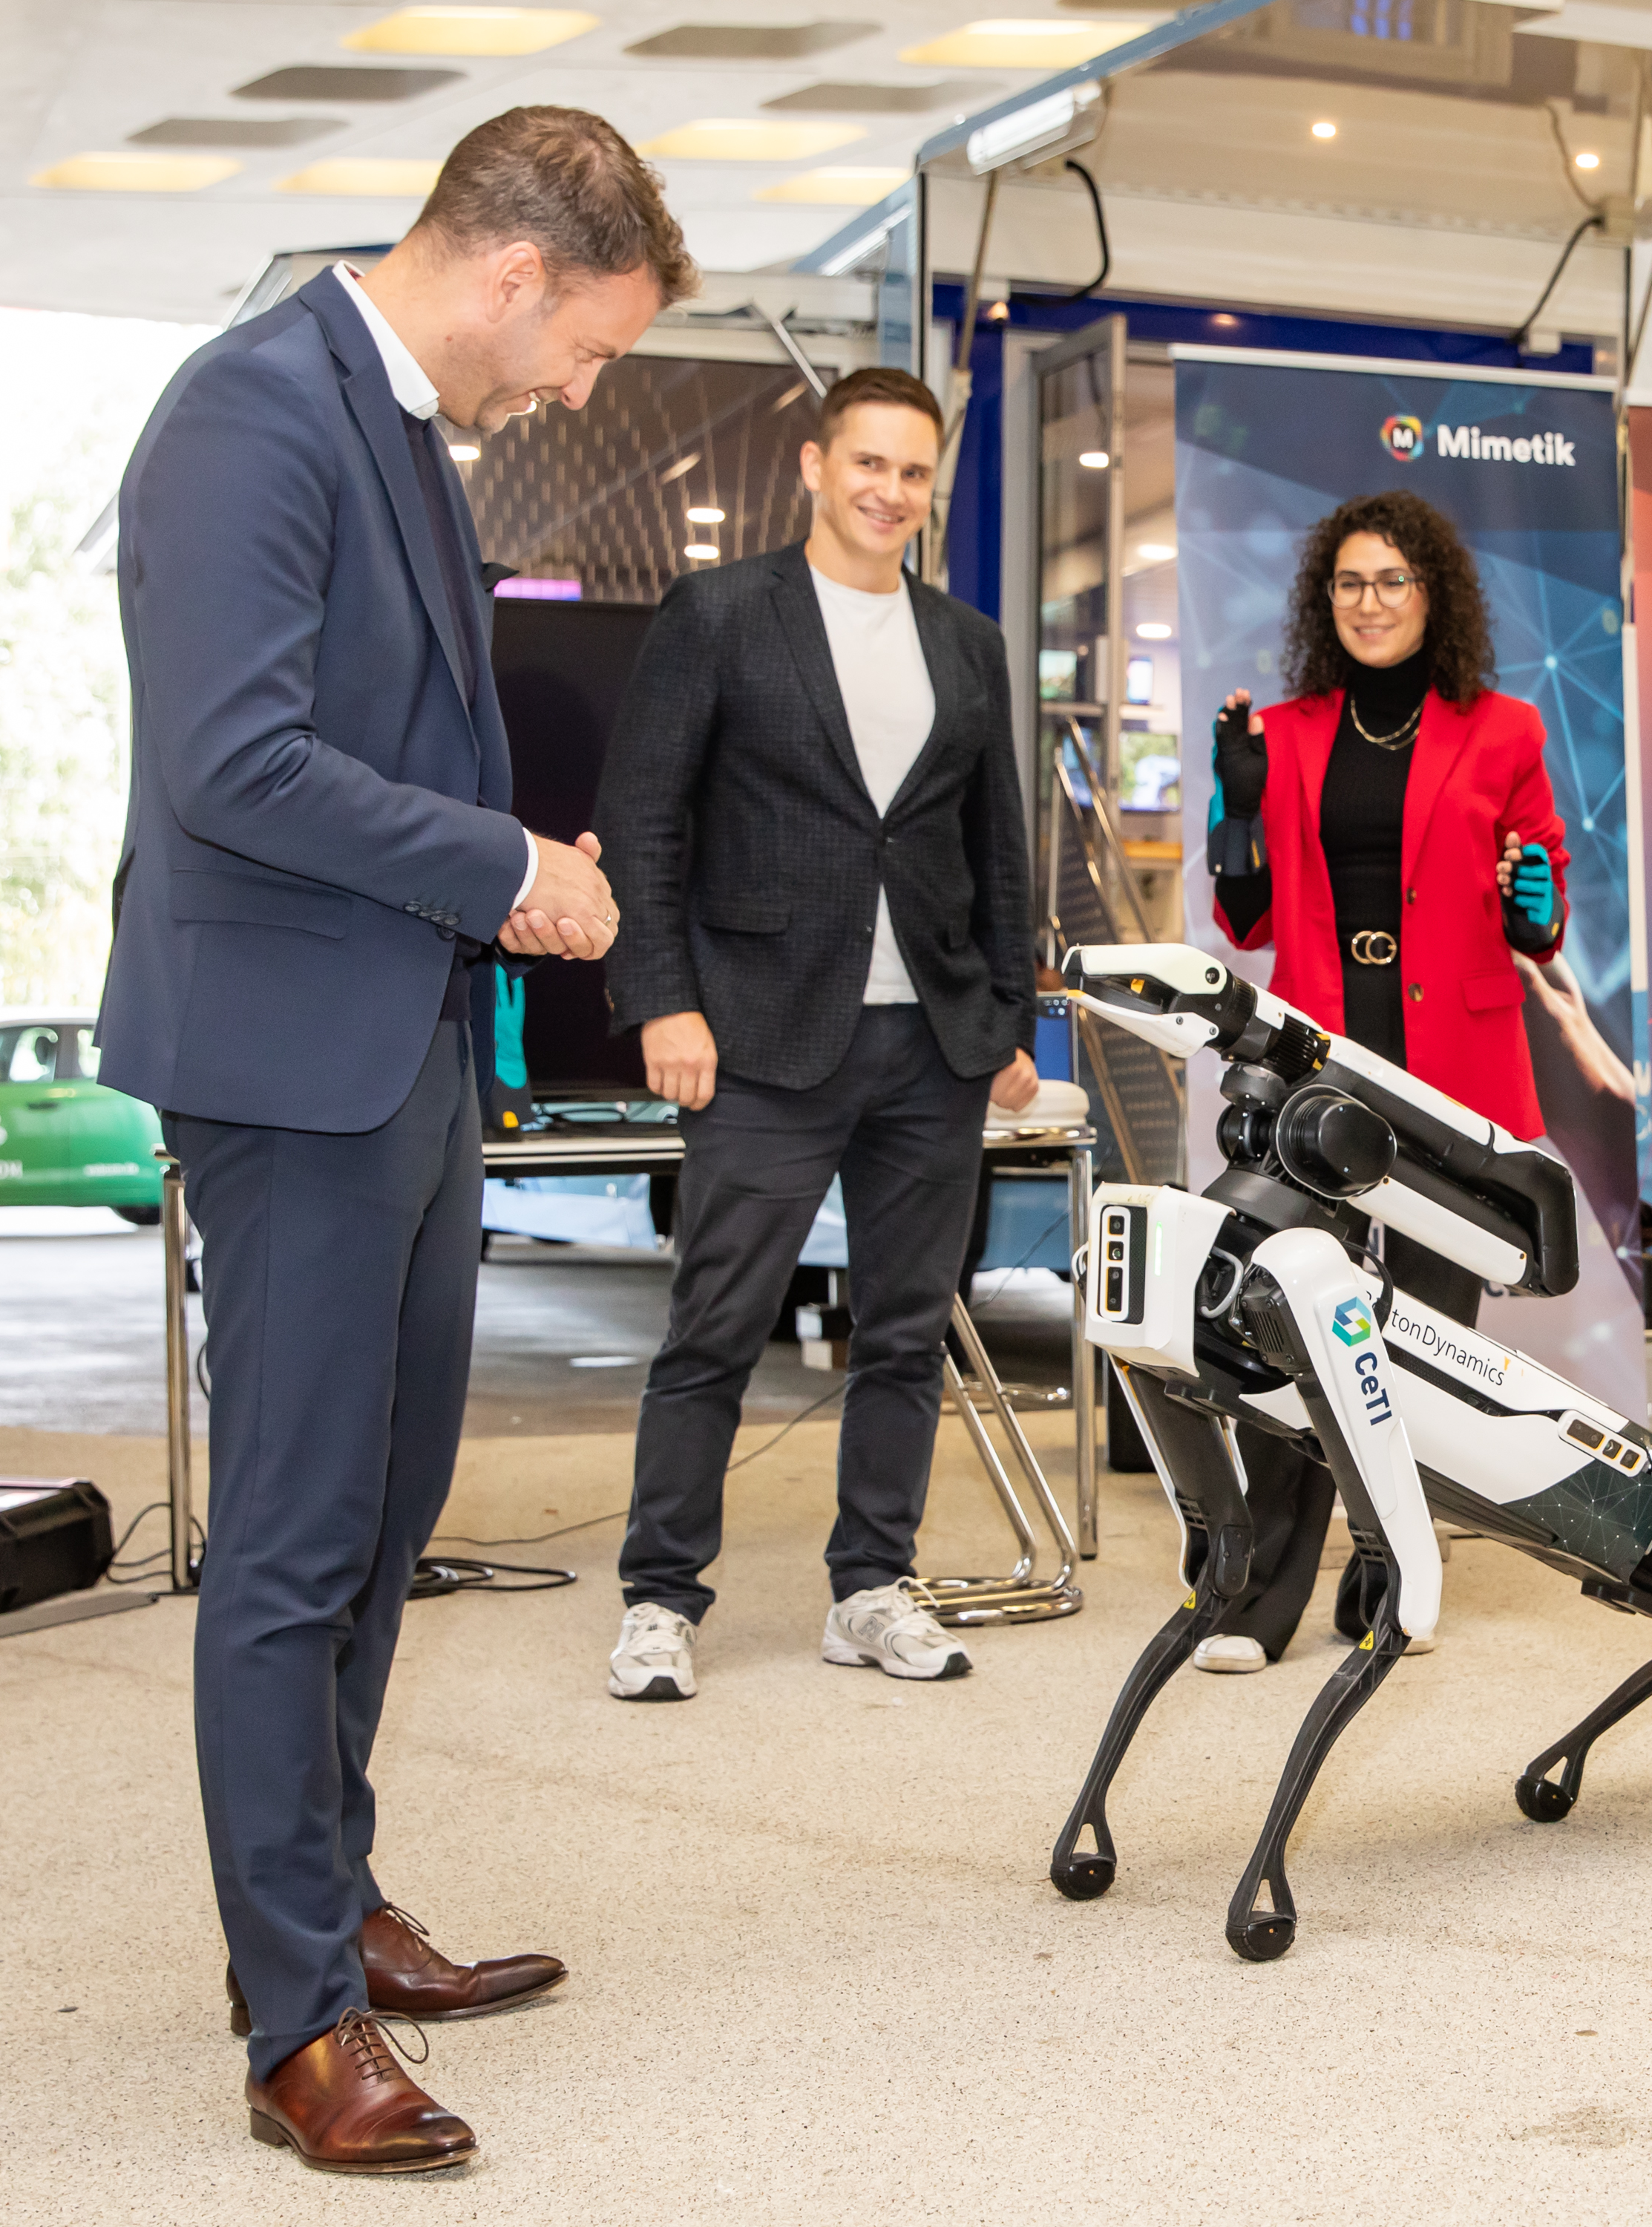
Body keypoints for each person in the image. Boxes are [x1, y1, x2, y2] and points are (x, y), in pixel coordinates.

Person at [101, 108, 686, 2171]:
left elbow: (398, 742)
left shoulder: (402, 433)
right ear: (513, 271)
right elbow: (233, 763)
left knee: (377, 1518)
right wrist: (505, 861)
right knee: (284, 1545)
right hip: (284, 1059)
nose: (579, 389)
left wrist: (519, 873)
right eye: (590, 345)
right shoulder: (251, 416)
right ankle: (292, 2024)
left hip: (408, 1046)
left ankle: (329, 1901)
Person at [596, 365, 1039, 1705]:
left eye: (914, 473)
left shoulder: (965, 643)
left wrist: (1006, 1018)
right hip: (762, 1040)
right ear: (812, 464)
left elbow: (994, 849)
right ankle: (661, 1597)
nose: (890, 493)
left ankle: (870, 1587)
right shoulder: (722, 613)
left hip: (934, 1046)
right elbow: (645, 820)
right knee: (715, 1329)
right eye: (869, 465)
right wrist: (661, 999)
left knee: (905, 1335)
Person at [1193, 488, 1570, 1672]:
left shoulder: (1504, 731)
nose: (1369, 602)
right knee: (1290, 1327)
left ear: (1433, 596)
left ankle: (1391, 1571)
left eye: (1392, 581)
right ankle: (1255, 1602)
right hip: (1322, 1072)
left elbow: (1540, 904)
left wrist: (1536, 901)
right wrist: (1238, 811)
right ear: (1325, 600)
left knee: (1417, 1338)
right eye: (1349, 583)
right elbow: (1245, 921)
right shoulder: (1290, 731)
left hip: (1453, 1070)